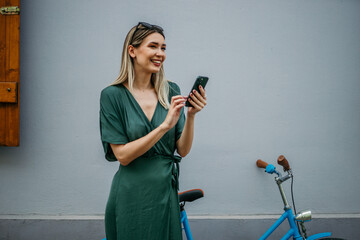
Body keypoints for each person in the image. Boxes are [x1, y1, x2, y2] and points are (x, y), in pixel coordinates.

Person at [99, 22, 207, 240]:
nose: (160, 53)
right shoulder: (112, 96)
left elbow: (183, 150)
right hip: (130, 195)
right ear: (132, 50)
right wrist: (164, 126)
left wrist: (192, 115)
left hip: (165, 192)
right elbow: (122, 155)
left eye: (164, 48)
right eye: (153, 46)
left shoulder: (171, 90)